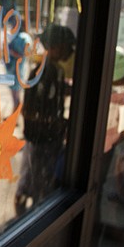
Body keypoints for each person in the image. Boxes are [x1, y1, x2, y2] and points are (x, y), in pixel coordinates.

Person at [15, 24, 75, 215]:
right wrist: (58, 123)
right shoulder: (46, 73)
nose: (69, 51)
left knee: (37, 177)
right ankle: (27, 211)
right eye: (66, 47)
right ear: (55, 47)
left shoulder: (51, 71)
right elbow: (34, 110)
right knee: (35, 178)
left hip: (44, 138)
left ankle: (30, 205)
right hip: (42, 139)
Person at [5, 29, 33, 113]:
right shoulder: (25, 38)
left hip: (15, 72)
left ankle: (15, 115)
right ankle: (16, 114)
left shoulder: (21, 38)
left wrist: (11, 52)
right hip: (17, 72)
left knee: (15, 96)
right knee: (16, 96)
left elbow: (21, 54)